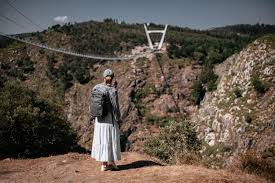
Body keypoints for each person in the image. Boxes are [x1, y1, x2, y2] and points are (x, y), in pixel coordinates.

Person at [91, 69, 122, 171]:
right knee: (111, 139)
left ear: (103, 77)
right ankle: (112, 163)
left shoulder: (96, 88)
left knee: (102, 139)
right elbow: (115, 107)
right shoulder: (113, 90)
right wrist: (119, 119)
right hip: (110, 119)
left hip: (99, 119)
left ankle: (103, 165)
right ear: (112, 78)